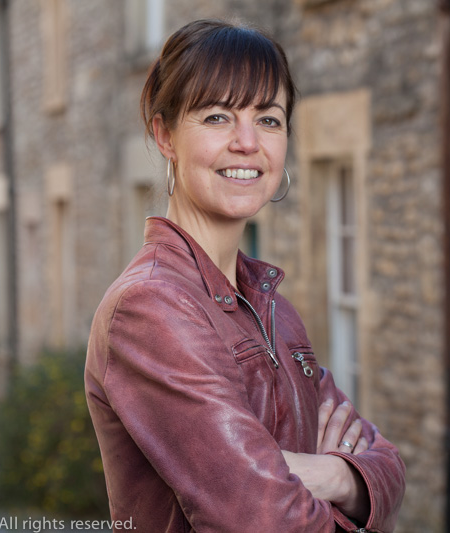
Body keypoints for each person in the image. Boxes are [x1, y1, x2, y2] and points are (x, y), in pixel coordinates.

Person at [85, 18, 406, 533]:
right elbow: (265, 520)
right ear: (164, 134)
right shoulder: (151, 306)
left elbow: (388, 467)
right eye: (216, 117)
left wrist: (329, 476)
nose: (247, 142)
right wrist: (337, 481)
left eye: (269, 119)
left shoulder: (270, 304)